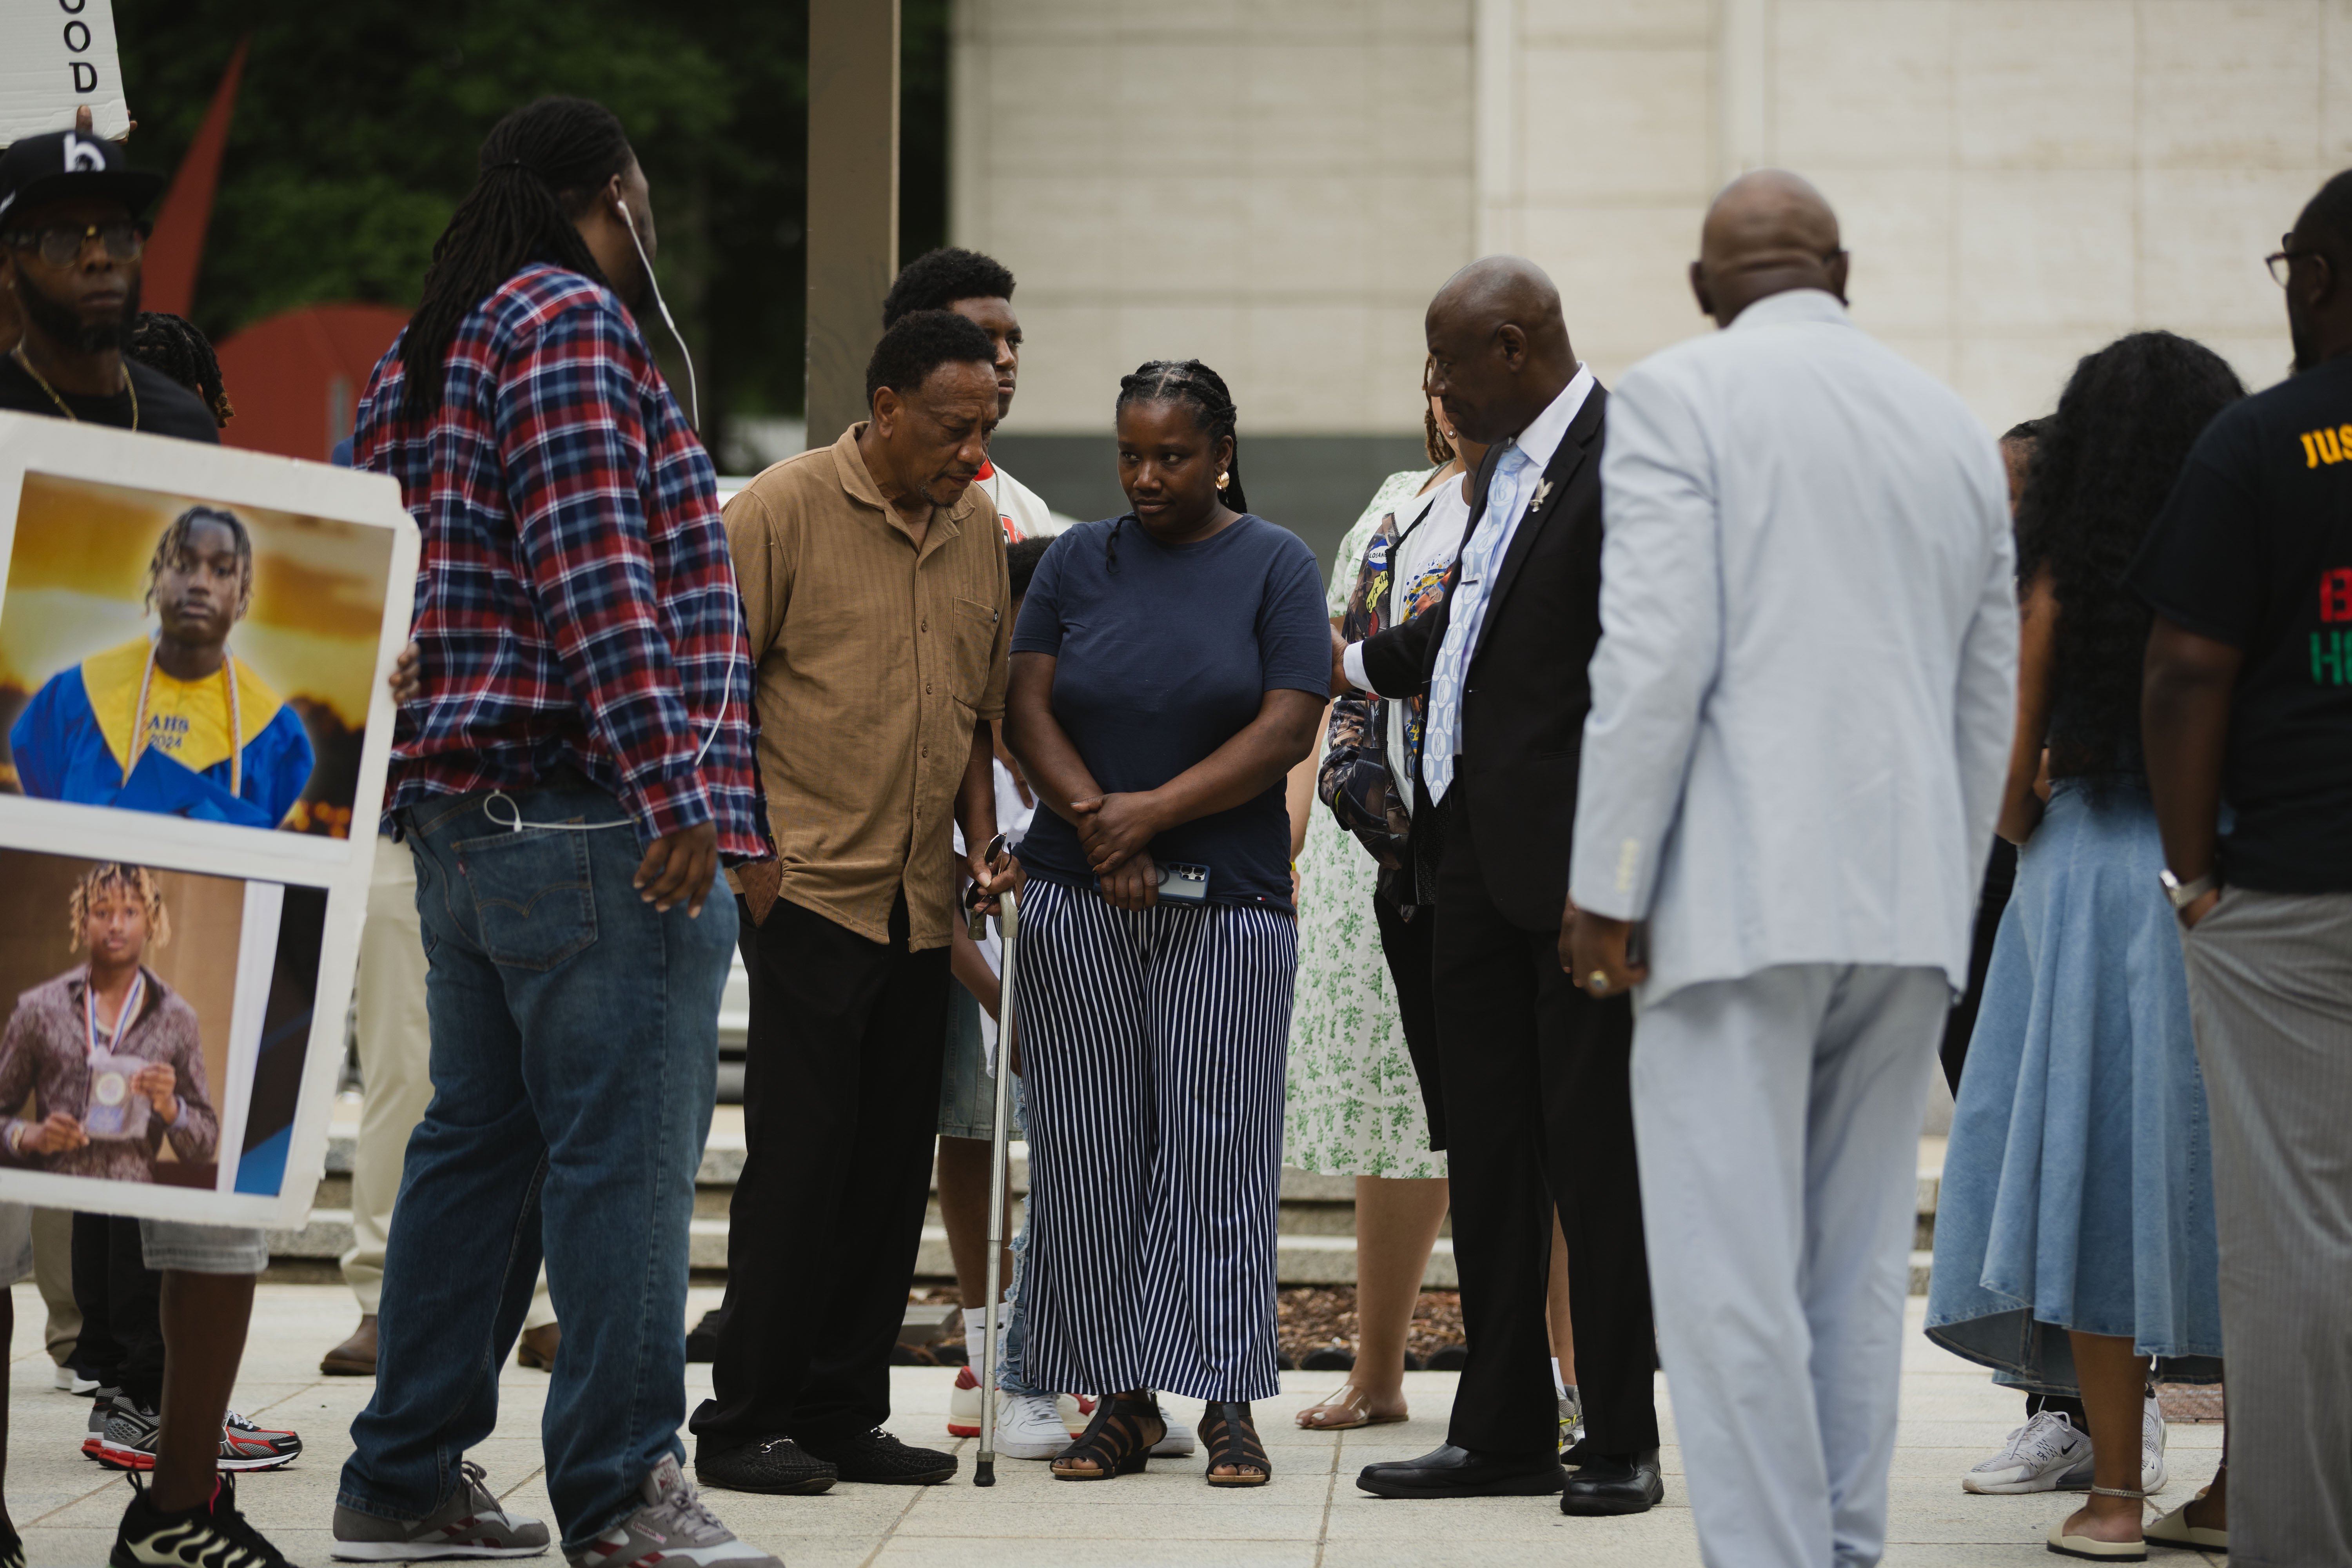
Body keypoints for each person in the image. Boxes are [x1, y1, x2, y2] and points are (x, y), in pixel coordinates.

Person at [334, 95, 770, 1568]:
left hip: (465, 821)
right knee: (623, 1160)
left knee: (479, 1149)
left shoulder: (426, 350)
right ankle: (625, 1490)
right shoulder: (573, 325)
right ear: (614, 195)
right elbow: (596, 575)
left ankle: (400, 1475)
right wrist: (678, 788)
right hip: (592, 819)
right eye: (642, 195)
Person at [1563, 170, 2017, 1568]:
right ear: (1843, 268)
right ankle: (1841, 1545)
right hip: (1902, 908)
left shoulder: (1674, 398)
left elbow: (1652, 658)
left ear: (1706, 288)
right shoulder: (1948, 424)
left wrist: (1607, 875)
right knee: (1852, 1268)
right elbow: (1982, 695)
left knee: (1725, 1272)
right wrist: (1943, 889)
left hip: (1728, 901)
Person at [0, 125, 303, 1568]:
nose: (104, 255)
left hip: (183, 860)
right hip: (14, 850)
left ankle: (181, 1506)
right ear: (11, 262)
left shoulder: (181, 425)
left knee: (215, 1197)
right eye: (66, 233)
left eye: (119, 229)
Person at [1341, 259, 1662, 1514]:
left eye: (1446, 360)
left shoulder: (1620, 460)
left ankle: (1620, 1434)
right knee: (1487, 1152)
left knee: (1595, 1160)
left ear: (1514, 347)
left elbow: (1643, 674)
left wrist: (1618, 877)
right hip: (1461, 854)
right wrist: (1341, 662)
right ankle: (1503, 1428)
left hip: (1579, 875)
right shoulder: (1499, 473)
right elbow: (1470, 634)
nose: (1434, 384)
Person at [690, 307, 1016, 1495]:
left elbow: (979, 718)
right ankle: (742, 1421)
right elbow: (714, 689)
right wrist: (750, 861)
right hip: (810, 890)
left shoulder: (975, 523)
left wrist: (985, 843)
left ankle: (841, 1410)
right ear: (884, 410)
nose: (970, 450)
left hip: (923, 904)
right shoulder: (777, 510)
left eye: (986, 425)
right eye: (949, 425)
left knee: (886, 1168)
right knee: (799, 1165)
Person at [1926, 333, 2239, 1558]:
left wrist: (2045, 791)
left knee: (2093, 1176)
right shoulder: (2245, 557)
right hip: (2224, 879)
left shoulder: (2056, 578)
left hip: (2084, 887)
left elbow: (2001, 791)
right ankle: (2233, 1489)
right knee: (2234, 1180)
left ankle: (2112, 1493)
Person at [1003, 358, 1326, 1486]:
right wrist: (1098, 826)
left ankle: (1229, 1396)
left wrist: (1146, 819)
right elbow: (1024, 703)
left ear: (1221, 454)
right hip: (1077, 899)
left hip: (1227, 905)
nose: (1148, 475)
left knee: (1220, 1146)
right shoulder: (1076, 560)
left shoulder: (1275, 564)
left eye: (1173, 455)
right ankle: (1122, 1401)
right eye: (1132, 454)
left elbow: (1288, 727)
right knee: (1089, 1151)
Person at [2132, 167, 2352, 1568]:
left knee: (2293, 1243)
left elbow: (2183, 668)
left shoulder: (2262, 441)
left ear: (2317, 275)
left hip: (2288, 894)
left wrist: (2187, 874)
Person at [1284, 381, 1467, 1436]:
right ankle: (1380, 1374)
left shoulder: (1545, 501)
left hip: (1489, 840)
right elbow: (1338, 668)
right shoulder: (1397, 500)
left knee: (1522, 1122)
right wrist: (1299, 824)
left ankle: (1562, 1377)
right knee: (1391, 1118)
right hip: (1377, 848)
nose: (1450, 400)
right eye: (1434, 380)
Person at [12, 504, 316, 829]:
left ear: (243, 594)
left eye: (223, 570)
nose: (200, 583)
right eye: (182, 565)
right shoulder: (71, 700)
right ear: (157, 578)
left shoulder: (277, 737)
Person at [0, 865, 217, 1187]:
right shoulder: (39, 1009)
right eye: (102, 912)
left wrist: (170, 1107)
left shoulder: (177, 1018)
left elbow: (204, 1149)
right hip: (53, 1204)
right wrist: (27, 1136)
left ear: (150, 923)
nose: (116, 925)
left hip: (132, 1214)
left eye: (130, 912)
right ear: (84, 923)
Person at [880, 246, 1062, 543]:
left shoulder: (1032, 511)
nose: (1007, 358)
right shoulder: (819, 498)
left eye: (1014, 341)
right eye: (982, 338)